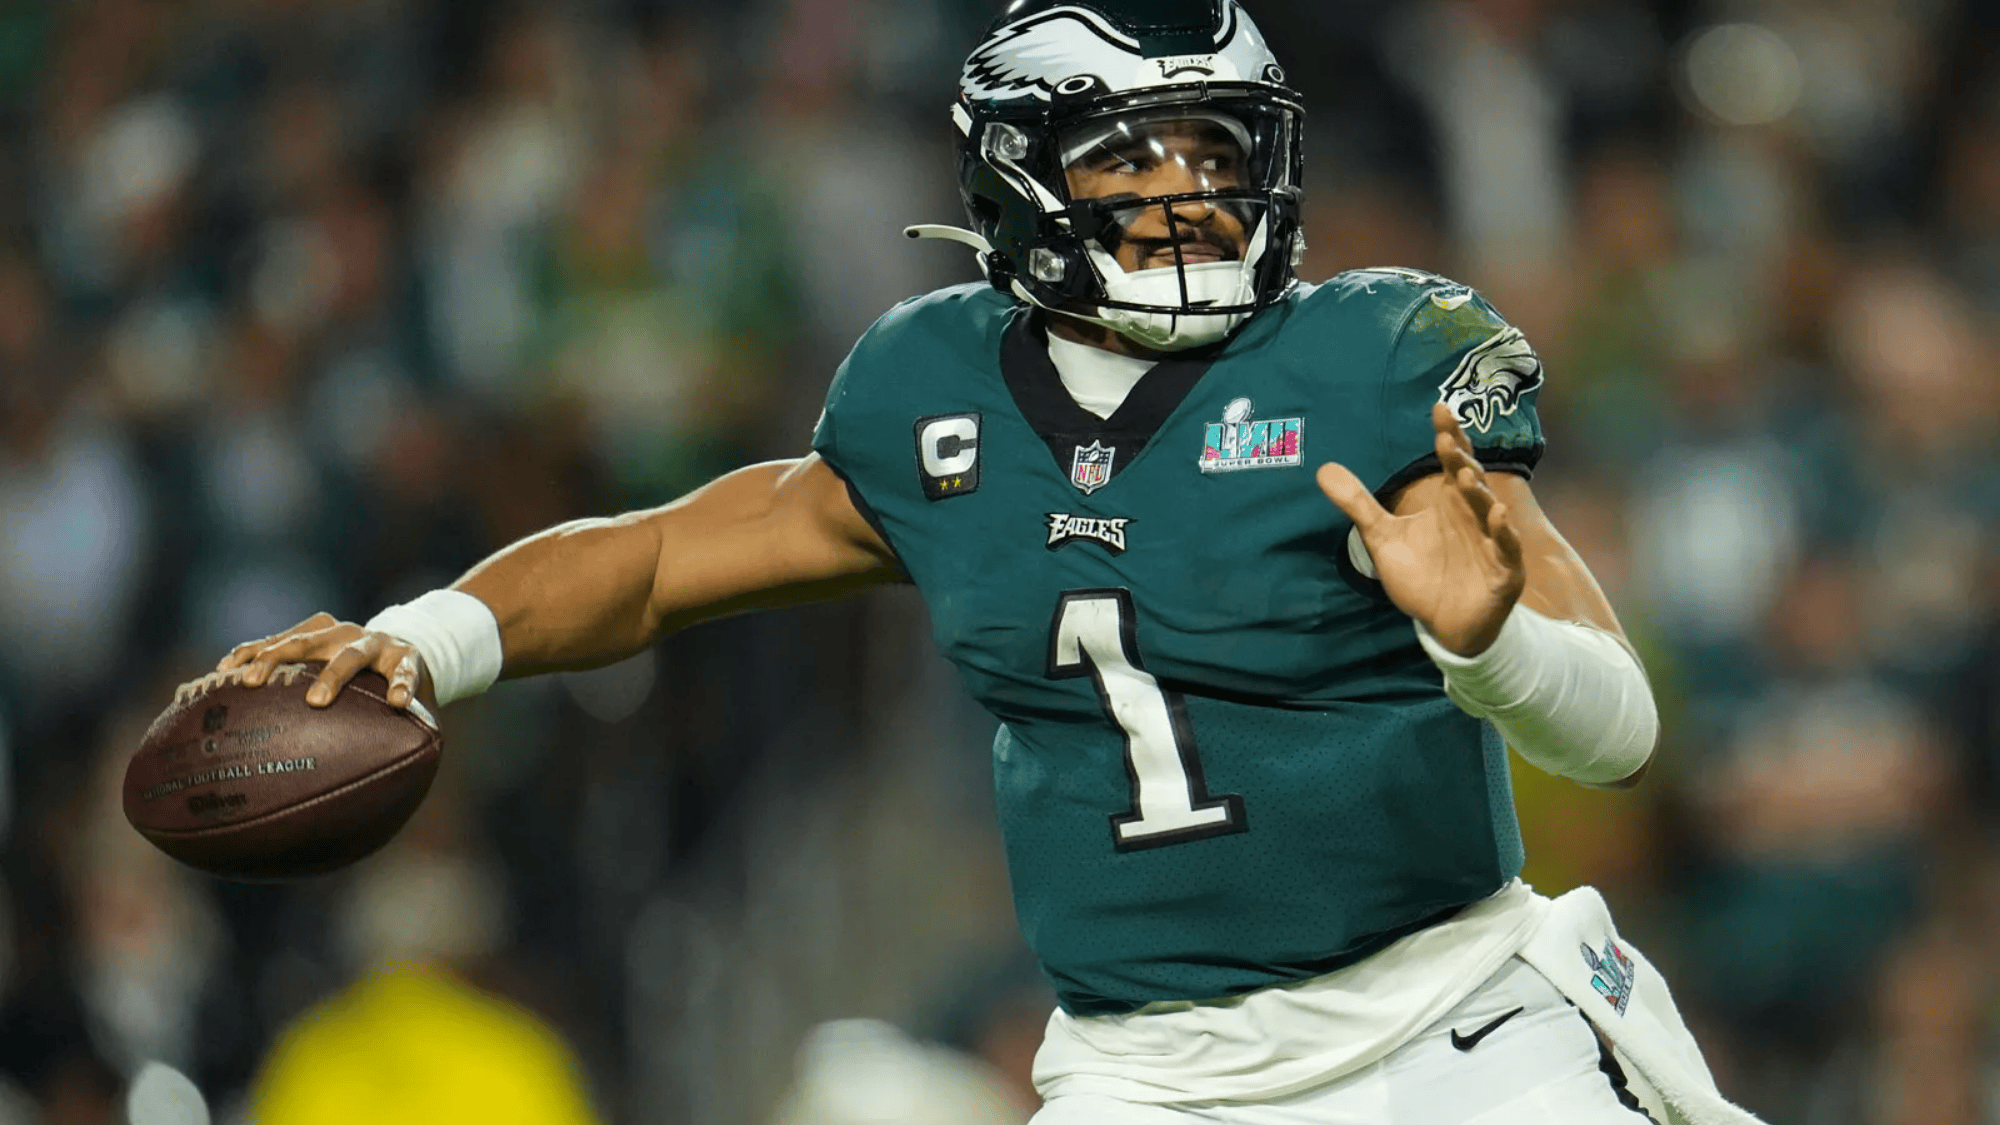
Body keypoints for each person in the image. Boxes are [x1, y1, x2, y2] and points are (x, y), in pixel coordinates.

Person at [217, 3, 1760, 1122]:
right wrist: (425, 637)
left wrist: (1491, 650)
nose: (1186, 190)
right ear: (1024, 178)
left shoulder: (1378, 360)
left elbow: (1617, 735)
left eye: (1213, 148)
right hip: (1149, 1078)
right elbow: (665, 559)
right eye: (1130, 156)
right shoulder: (927, 398)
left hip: (1460, 1033)